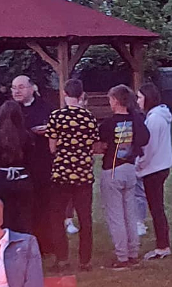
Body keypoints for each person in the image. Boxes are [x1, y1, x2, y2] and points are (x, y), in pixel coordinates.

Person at [46, 77, 98, 272]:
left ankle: (62, 258)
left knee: (57, 216)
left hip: (62, 174)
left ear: (64, 94)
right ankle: (85, 260)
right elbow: (93, 147)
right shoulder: (89, 118)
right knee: (85, 218)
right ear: (82, 95)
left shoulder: (56, 117)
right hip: (83, 174)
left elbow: (52, 148)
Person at [98, 83, 150, 269]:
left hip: (112, 170)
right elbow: (144, 140)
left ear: (115, 100)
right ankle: (133, 253)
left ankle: (122, 257)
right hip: (130, 169)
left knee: (116, 216)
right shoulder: (136, 119)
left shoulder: (108, 124)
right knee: (130, 214)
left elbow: (100, 145)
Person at [11, 74, 53, 255]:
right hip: (19, 166)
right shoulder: (10, 109)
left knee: (43, 205)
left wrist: (48, 131)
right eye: (14, 88)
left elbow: (55, 132)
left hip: (41, 164)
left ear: (32, 88)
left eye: (21, 87)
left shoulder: (46, 108)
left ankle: (44, 244)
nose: (17, 91)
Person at [134, 82, 172, 260]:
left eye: (140, 97)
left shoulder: (154, 119)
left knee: (156, 209)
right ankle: (163, 243)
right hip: (160, 167)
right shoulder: (158, 116)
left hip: (154, 169)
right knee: (157, 208)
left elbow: (149, 148)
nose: (137, 101)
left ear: (147, 98)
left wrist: (139, 164)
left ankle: (163, 246)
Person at [0, 99, 34, 235]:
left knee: (5, 218)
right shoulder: (27, 136)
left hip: (4, 181)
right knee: (24, 219)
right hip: (23, 180)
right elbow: (30, 161)